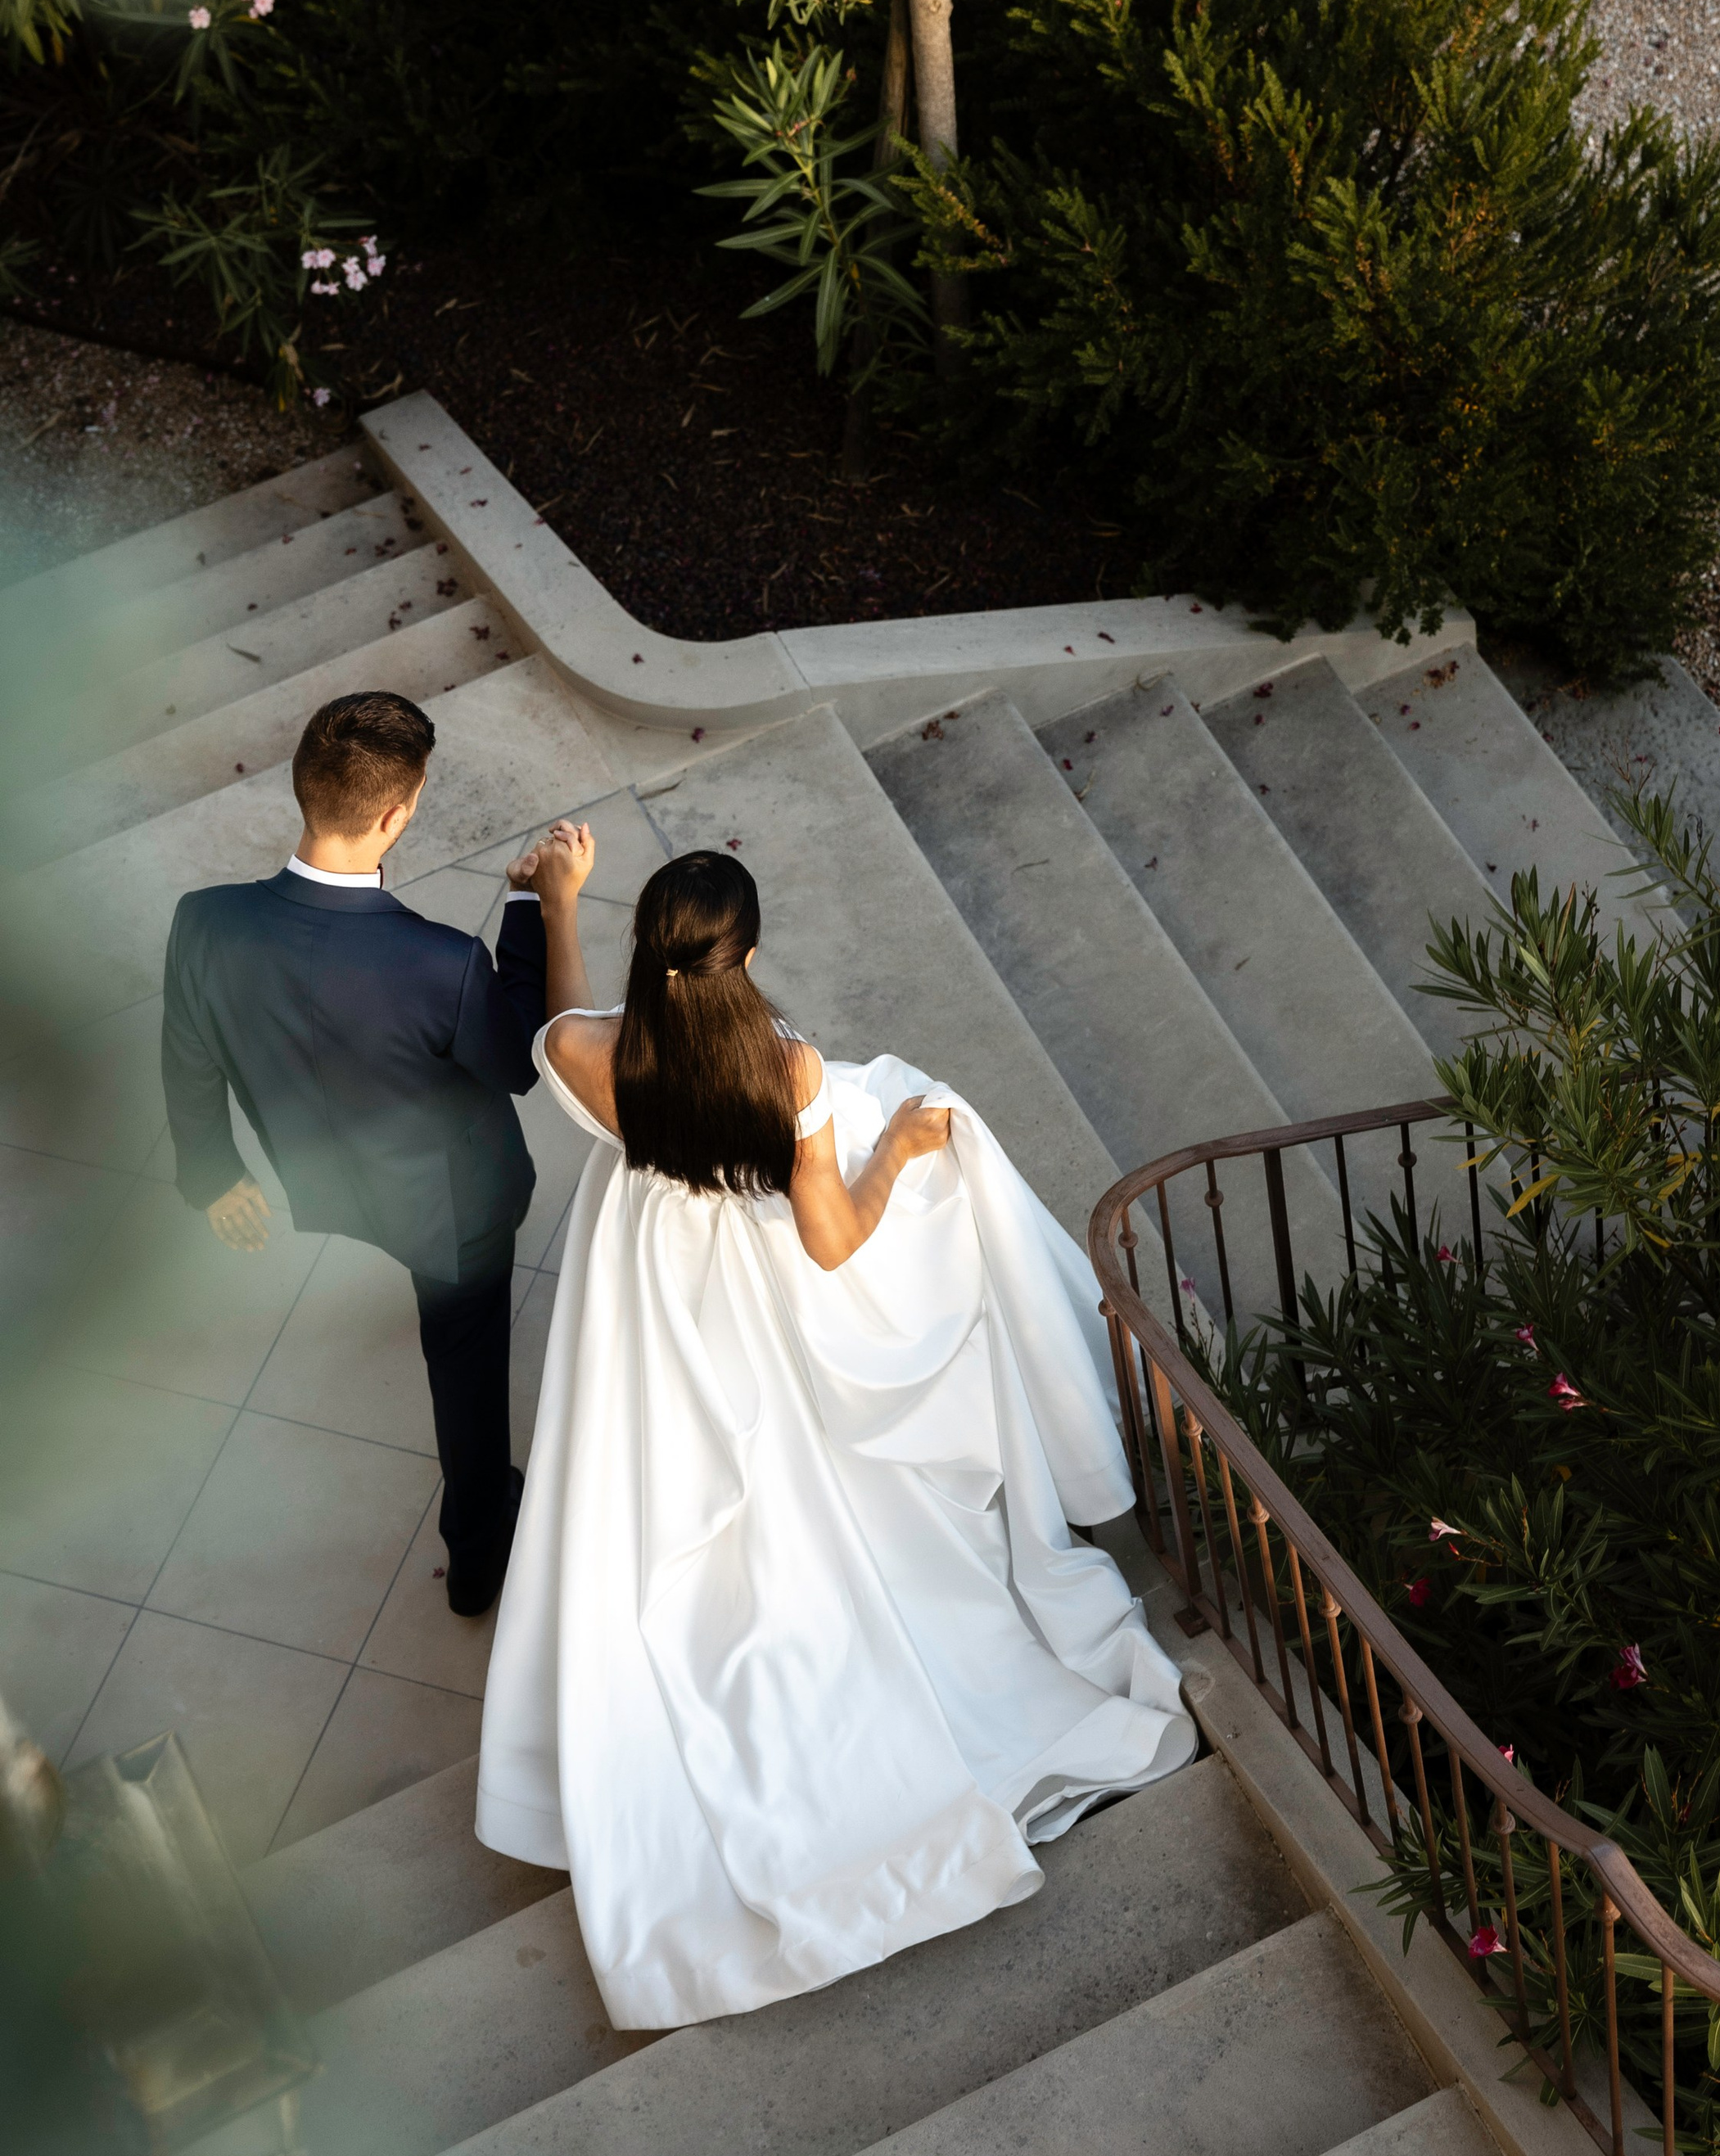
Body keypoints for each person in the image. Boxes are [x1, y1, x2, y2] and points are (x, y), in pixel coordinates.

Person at [476, 845, 1194, 2031]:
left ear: (651, 953)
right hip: (753, 1287)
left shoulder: (587, 1056)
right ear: (744, 956)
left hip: (650, 1285)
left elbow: (557, 1011)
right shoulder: (784, 1069)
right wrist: (903, 1149)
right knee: (807, 1468)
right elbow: (829, 1241)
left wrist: (555, 902)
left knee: (651, 1482)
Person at [160, 689, 596, 1615]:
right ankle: (476, 1559)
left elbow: (188, 1054)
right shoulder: (442, 965)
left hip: (331, 1184)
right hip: (451, 1213)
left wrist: (214, 1172)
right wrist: (531, 907)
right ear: (396, 813)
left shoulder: (204, 921)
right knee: (467, 1375)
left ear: (303, 789)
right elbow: (519, 1063)